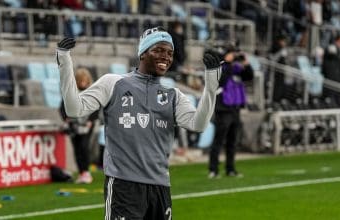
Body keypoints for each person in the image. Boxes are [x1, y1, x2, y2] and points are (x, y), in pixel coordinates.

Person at [56, 26, 222, 219]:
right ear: (143, 53)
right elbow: (74, 109)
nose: (166, 57)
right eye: (158, 50)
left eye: (169, 53)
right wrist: (64, 61)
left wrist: (211, 84)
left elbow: (199, 124)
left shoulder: (172, 95)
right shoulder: (113, 83)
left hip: (160, 187)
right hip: (123, 186)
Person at [208, 44, 254, 178]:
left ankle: (230, 169)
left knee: (232, 141)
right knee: (219, 140)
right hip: (223, 108)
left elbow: (249, 76)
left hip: (235, 108)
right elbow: (220, 81)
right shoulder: (220, 68)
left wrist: (246, 62)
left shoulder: (237, 68)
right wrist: (227, 62)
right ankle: (213, 169)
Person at [60, 67, 99, 184]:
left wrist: (90, 121)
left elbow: (96, 108)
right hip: (74, 125)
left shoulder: (92, 92)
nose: (82, 82)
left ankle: (86, 172)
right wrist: (66, 119)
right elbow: (62, 107)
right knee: (76, 148)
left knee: (83, 147)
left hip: (87, 125)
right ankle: (81, 172)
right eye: (80, 80)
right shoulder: (71, 92)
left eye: (84, 80)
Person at [321, 33, 340, 107]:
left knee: (338, 101)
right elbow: (332, 52)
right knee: (329, 100)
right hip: (331, 80)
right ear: (338, 40)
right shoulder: (332, 47)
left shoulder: (338, 51)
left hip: (338, 81)